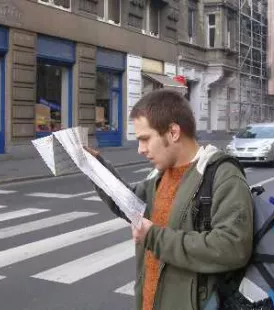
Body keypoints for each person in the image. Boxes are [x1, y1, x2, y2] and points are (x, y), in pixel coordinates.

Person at [89, 89, 254, 310]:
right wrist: (93, 166)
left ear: (173, 132)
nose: (140, 149)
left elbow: (232, 247)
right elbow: (127, 203)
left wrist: (154, 236)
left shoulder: (222, 175)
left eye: (145, 139)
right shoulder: (160, 175)